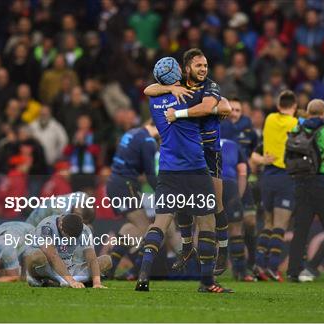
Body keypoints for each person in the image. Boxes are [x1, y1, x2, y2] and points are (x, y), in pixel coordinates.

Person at [136, 57, 232, 293]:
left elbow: (148, 88)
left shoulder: (154, 100)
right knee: (207, 220)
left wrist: (168, 88)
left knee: (160, 223)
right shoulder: (191, 95)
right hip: (195, 168)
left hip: (168, 169)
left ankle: (143, 277)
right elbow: (222, 107)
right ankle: (207, 282)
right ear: (179, 72)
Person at [286, 99, 324, 283]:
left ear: (309, 112)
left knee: (300, 231)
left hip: (301, 183)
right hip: (323, 182)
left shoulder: (297, 129)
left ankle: (293, 272)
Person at [254, 90, 298, 282]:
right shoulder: (296, 124)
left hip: (267, 176)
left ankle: (258, 265)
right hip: (285, 177)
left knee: (267, 224)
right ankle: (272, 267)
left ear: (279, 106)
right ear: (294, 107)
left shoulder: (269, 119)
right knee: (280, 225)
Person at [106, 123, 158, 279]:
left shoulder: (131, 132)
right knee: (144, 228)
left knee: (131, 227)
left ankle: (110, 267)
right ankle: (136, 271)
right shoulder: (148, 141)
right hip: (125, 186)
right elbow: (150, 175)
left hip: (115, 183)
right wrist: (163, 192)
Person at [25, 213, 110, 288]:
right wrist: (72, 281)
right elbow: (52, 256)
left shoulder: (84, 230)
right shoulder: (46, 227)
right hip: (46, 266)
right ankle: (35, 277)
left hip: (67, 266)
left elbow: (91, 258)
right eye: (67, 237)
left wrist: (97, 283)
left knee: (106, 260)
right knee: (36, 256)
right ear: (61, 225)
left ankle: (60, 281)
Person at [219, 137, 254, 281]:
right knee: (236, 230)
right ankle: (241, 271)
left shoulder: (199, 140)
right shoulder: (233, 144)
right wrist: (237, 196)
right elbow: (243, 172)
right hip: (230, 186)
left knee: (203, 228)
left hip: (208, 185)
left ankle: (199, 272)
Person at [25, 191, 95, 227]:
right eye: (77, 214)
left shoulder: (83, 195)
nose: (78, 209)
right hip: (34, 222)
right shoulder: (61, 213)